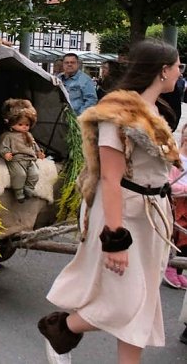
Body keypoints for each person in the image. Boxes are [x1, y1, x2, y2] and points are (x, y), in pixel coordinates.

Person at [38, 39, 182, 364]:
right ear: (163, 71)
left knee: (144, 302)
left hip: (152, 216)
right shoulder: (116, 115)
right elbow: (110, 178)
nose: (179, 72)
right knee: (124, 302)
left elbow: (158, 170)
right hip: (123, 215)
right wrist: (115, 239)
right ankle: (61, 329)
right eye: (177, 66)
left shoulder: (157, 111)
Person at [0, 99, 45, 203]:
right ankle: (18, 191)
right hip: (17, 159)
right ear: (11, 123)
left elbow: (34, 145)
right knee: (20, 174)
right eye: (20, 124)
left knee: (35, 173)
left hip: (30, 159)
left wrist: (38, 152)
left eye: (27, 125)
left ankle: (29, 189)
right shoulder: (8, 136)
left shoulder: (28, 135)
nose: (24, 127)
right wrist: (6, 153)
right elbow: (4, 147)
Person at [163, 125, 187, 289]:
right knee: (179, 234)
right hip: (177, 201)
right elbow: (168, 184)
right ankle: (171, 265)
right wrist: (185, 190)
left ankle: (179, 270)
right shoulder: (176, 159)